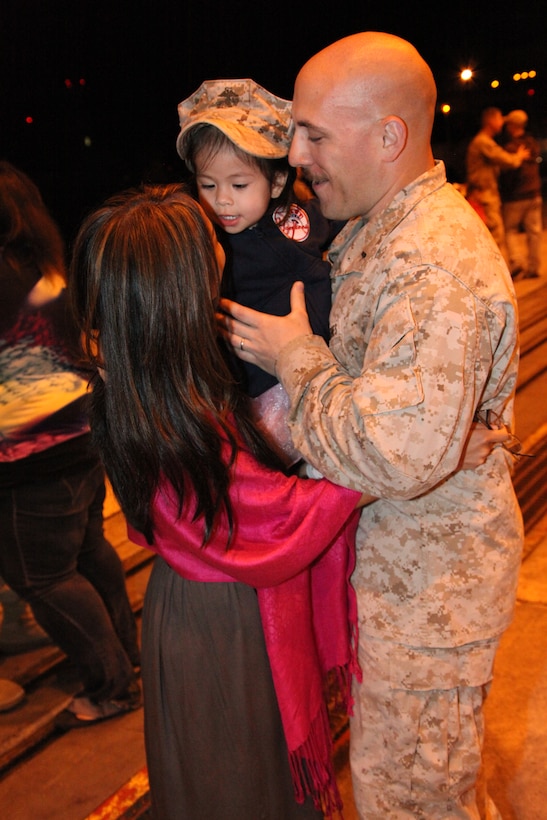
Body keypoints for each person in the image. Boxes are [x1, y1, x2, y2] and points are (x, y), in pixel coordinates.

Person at [218, 32, 524, 819]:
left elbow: (392, 453)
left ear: (388, 137)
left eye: (314, 133)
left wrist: (296, 359)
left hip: (426, 594)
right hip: (401, 577)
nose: (295, 154)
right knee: (432, 788)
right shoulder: (377, 228)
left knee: (412, 801)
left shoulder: (429, 262)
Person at [68, 182, 376, 819]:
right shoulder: (177, 413)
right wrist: (384, 459)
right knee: (246, 784)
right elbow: (279, 518)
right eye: (209, 241)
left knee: (218, 781)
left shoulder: (136, 385)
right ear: (180, 287)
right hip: (226, 617)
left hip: (190, 603)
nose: (223, 243)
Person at [0, 160, 141, 728]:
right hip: (81, 441)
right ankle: (127, 658)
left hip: (31, 459)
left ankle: (111, 685)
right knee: (86, 553)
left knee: (44, 578)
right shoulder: (45, 268)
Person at [176, 78, 340, 464]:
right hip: (239, 394)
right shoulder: (201, 241)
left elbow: (337, 220)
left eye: (239, 183)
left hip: (284, 392)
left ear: (277, 180)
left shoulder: (290, 222)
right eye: (207, 184)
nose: (222, 200)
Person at [466, 106, 530, 265]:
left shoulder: (483, 141)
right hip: (485, 195)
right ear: (491, 121)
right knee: (495, 236)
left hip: (484, 194)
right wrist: (518, 157)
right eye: (500, 118)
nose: (503, 122)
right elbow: (505, 159)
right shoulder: (483, 142)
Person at [499, 109, 543, 279]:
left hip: (515, 196)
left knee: (510, 230)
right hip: (534, 193)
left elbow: (506, 170)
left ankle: (517, 262)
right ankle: (533, 267)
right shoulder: (532, 144)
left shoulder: (511, 147)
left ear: (512, 125)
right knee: (534, 232)